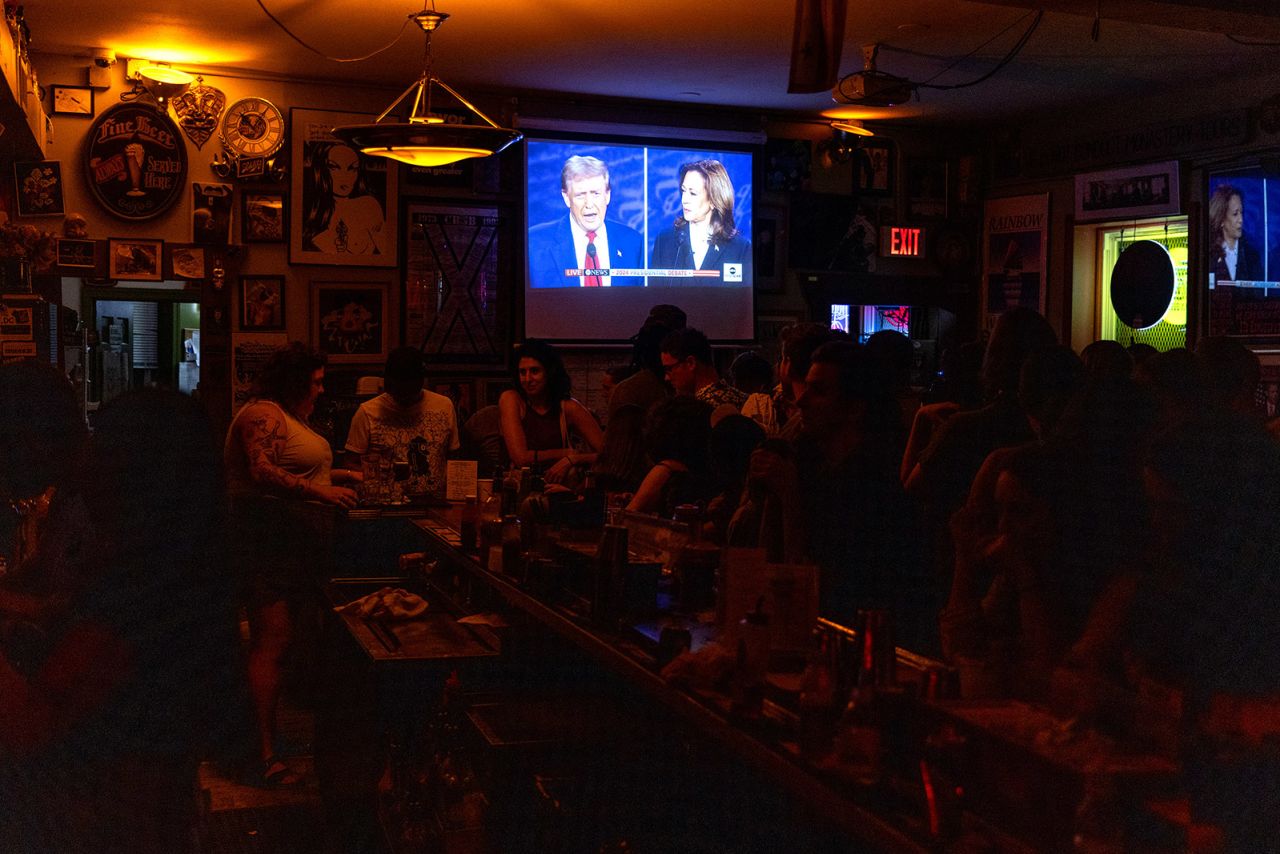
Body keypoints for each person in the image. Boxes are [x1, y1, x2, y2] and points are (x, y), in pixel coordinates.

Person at [223, 342, 361, 787]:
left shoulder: (289, 417)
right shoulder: (262, 415)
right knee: (272, 643)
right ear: (296, 381)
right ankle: (260, 754)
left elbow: (298, 471)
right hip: (266, 543)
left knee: (288, 644)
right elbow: (262, 471)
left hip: (291, 544)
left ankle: (271, 741)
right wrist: (323, 493)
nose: (321, 391)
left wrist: (343, 477)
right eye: (316, 382)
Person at [344, 347, 460, 499]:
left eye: (408, 391)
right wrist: (378, 479)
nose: (403, 398)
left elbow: (455, 459)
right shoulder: (368, 412)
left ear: (420, 382)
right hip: (386, 504)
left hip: (434, 502)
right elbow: (350, 463)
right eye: (397, 392)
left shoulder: (444, 406)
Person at [528, 155, 644, 287]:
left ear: (607, 195)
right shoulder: (534, 243)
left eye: (595, 194)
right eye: (580, 195)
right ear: (566, 197)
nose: (589, 204)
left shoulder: (633, 242)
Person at [499, 339, 604, 483]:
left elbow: (608, 454)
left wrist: (572, 459)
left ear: (550, 372)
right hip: (520, 487)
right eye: (522, 372)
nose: (528, 379)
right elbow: (520, 458)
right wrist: (564, 453)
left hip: (558, 487)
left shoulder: (568, 407)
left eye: (535, 371)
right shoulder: (512, 399)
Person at [649, 159, 752, 286]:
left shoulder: (740, 249)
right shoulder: (665, 241)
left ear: (714, 200)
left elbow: (742, 302)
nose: (684, 200)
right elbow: (656, 297)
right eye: (683, 191)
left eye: (693, 193)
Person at [302, 141, 387, 256]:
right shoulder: (310, 213)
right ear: (321, 171)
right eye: (334, 167)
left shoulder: (368, 206)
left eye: (353, 168)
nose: (345, 176)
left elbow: (387, 252)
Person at [660, 326, 747, 410]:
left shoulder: (700, 411)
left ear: (691, 363)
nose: (666, 378)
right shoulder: (745, 400)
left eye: (669, 369)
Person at [1207, 183, 1262, 282]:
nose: (1241, 219)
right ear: (1222, 219)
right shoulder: (1208, 254)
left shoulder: (1252, 256)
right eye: (1235, 214)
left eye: (1242, 213)